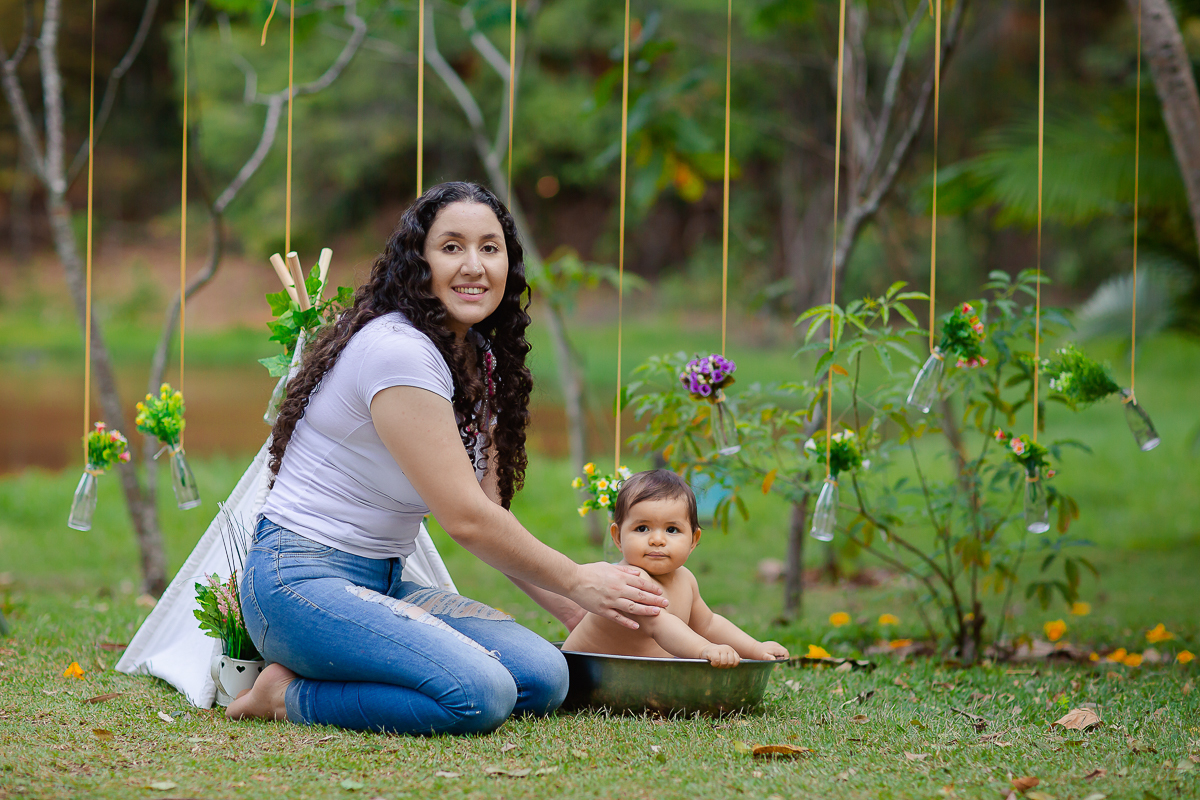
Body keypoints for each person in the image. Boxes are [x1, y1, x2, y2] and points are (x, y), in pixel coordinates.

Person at [227, 182, 668, 735]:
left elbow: (492, 514)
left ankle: (356, 667)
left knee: (545, 676)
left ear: (509, 264)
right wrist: (578, 578)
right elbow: (464, 520)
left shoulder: (475, 359)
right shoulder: (398, 350)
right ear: (419, 263)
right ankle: (284, 695)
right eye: (452, 247)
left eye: (490, 248)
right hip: (297, 583)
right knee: (480, 694)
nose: (474, 266)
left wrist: (575, 609)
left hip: (382, 584)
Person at [562, 469, 789, 667]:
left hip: (634, 677)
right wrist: (704, 649)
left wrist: (755, 648)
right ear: (617, 537)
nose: (657, 540)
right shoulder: (630, 580)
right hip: (584, 674)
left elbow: (708, 623)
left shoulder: (685, 579)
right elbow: (662, 626)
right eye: (642, 528)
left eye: (671, 530)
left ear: (693, 539)